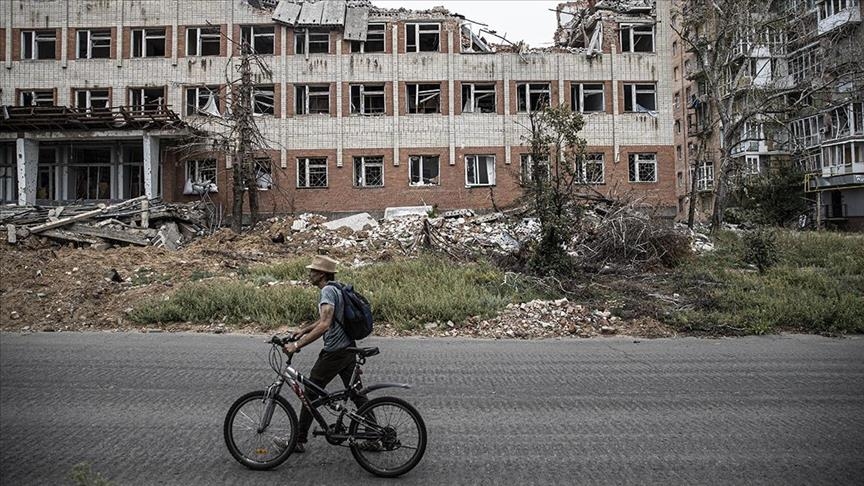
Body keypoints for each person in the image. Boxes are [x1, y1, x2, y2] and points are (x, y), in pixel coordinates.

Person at [281, 255, 368, 453]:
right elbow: (327, 319)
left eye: (312, 271)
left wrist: (297, 345)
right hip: (348, 348)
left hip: (335, 352)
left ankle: (298, 440)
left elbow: (325, 325)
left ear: (321, 274)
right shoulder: (336, 288)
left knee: (310, 393)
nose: (309, 274)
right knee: (357, 394)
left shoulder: (327, 291)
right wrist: (304, 330)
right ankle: (375, 436)